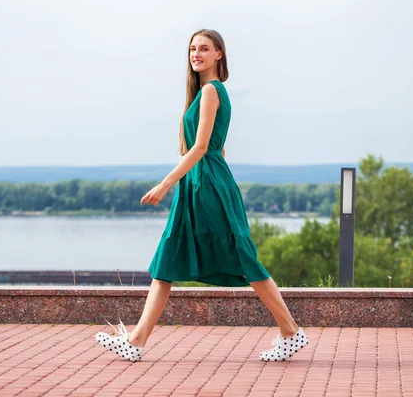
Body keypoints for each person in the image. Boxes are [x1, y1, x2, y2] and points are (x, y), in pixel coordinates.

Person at [96, 29, 308, 362]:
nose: (196, 53)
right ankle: (136, 340)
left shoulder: (211, 91)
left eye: (204, 48)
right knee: (168, 260)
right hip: (198, 183)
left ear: (219, 55)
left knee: (244, 259)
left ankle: (291, 331)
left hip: (205, 183)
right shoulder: (204, 93)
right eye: (193, 48)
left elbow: (202, 147)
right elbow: (214, 148)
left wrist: (165, 184)